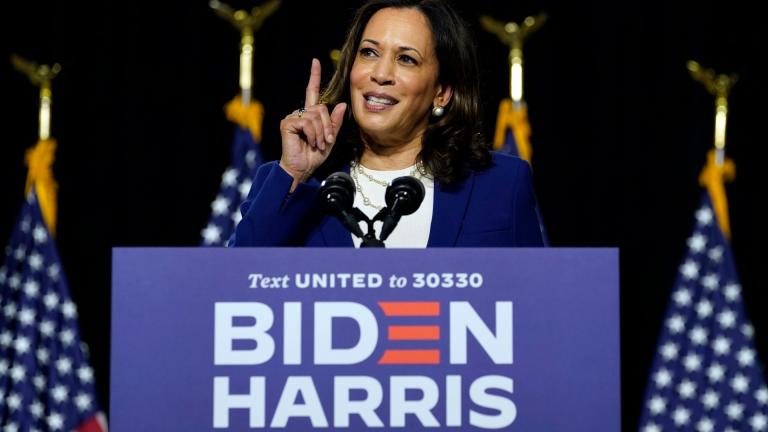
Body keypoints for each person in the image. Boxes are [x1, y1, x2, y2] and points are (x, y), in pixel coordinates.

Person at [230, 0, 544, 247]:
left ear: (442, 92)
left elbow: (534, 304)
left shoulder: (502, 184)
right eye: (368, 53)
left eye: (406, 59)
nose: (380, 73)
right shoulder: (290, 183)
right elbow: (234, 288)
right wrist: (296, 174)